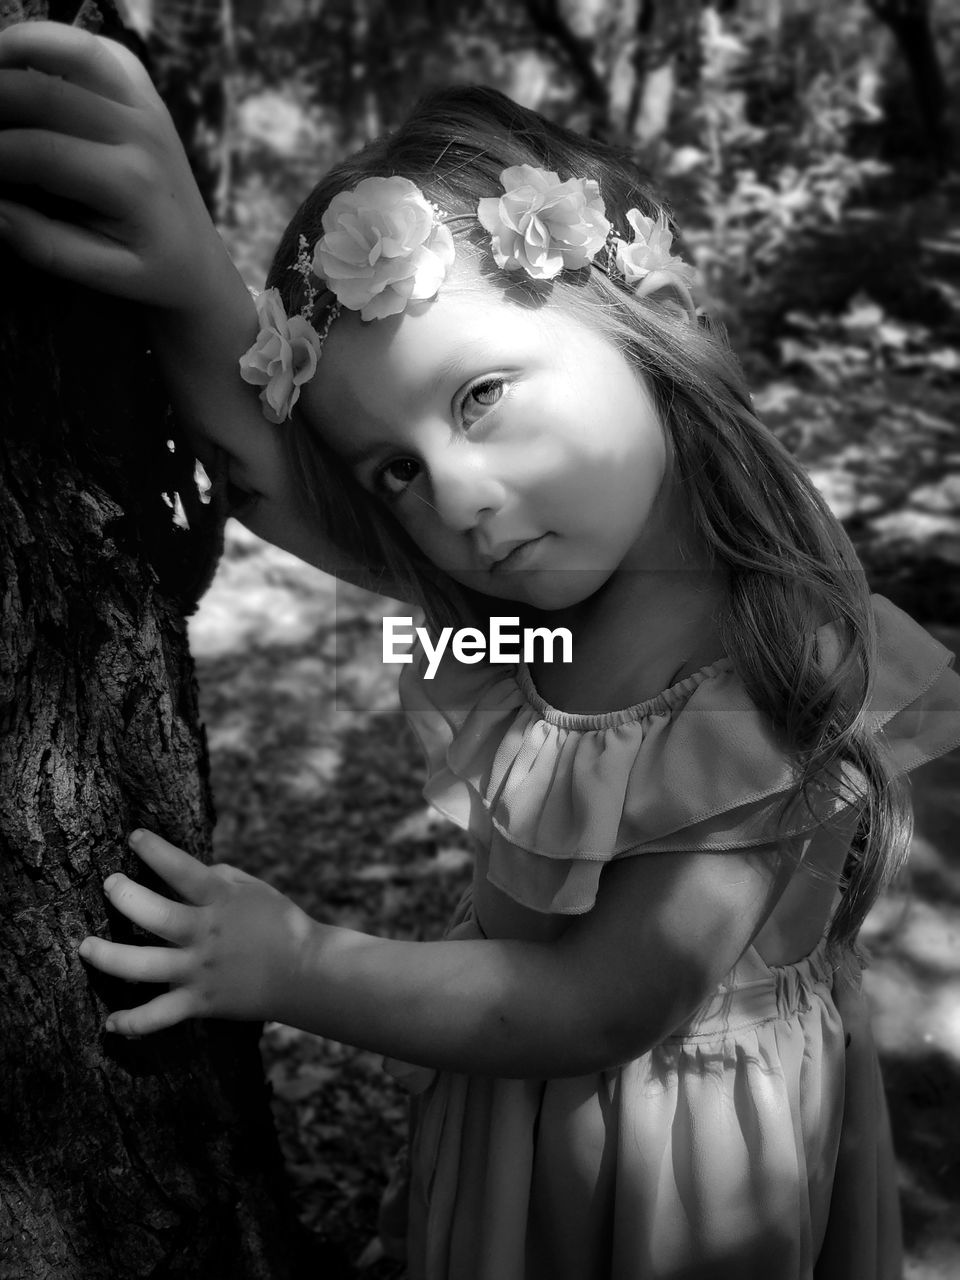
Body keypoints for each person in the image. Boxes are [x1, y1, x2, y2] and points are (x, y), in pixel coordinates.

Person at [1, 21, 958, 1280]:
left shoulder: (765, 664)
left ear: (653, 322)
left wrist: (299, 963)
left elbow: (606, 1003)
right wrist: (188, 271)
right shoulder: (527, 598)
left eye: (482, 396)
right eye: (396, 467)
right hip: (528, 1117)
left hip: (680, 1175)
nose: (455, 498)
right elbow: (276, 478)